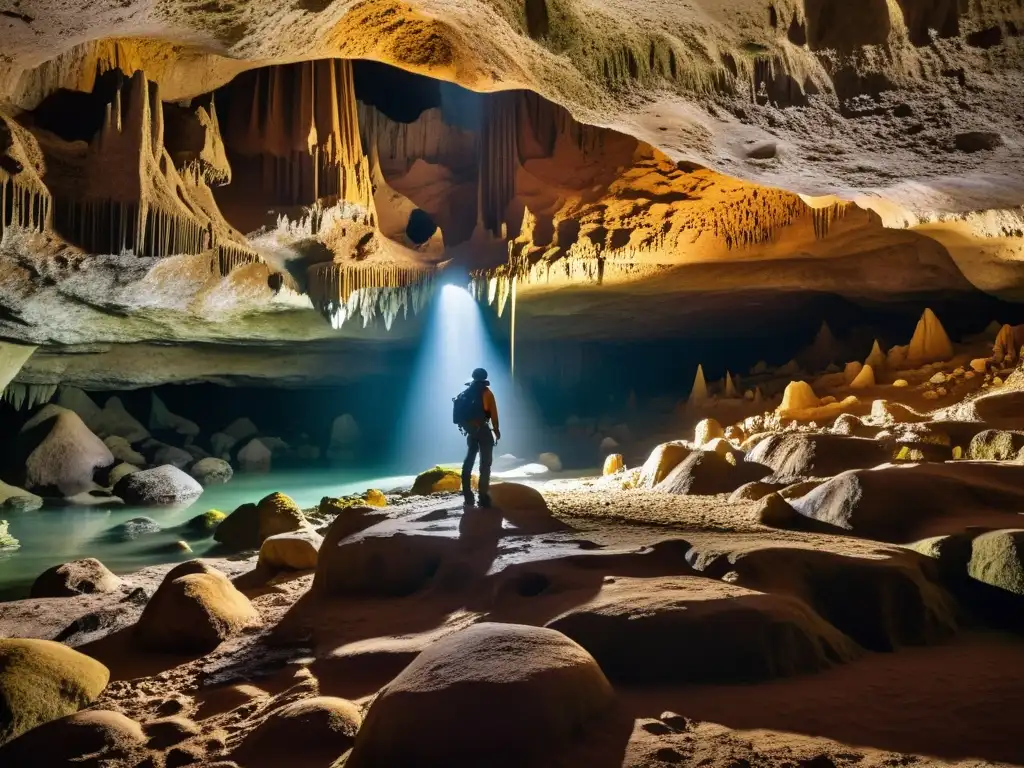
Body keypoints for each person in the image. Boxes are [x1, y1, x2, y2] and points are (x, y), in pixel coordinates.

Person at [460, 367, 500, 507]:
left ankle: (467, 495)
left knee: (469, 460)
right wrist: (496, 430)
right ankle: (483, 497)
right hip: (483, 430)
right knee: (485, 464)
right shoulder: (487, 393)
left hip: (471, 431)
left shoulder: (466, 393)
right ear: (485, 377)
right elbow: (493, 414)